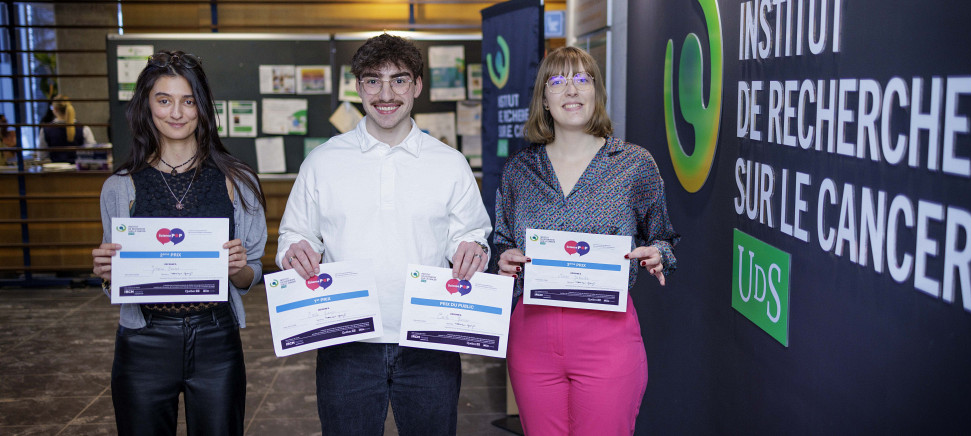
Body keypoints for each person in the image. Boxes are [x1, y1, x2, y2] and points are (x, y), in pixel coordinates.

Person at [277, 33, 492, 436]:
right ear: (358, 87)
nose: (386, 93)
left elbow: (472, 234)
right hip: (346, 338)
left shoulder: (450, 163)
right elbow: (294, 234)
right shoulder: (323, 161)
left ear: (417, 86)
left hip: (429, 337)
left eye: (399, 79)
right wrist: (295, 251)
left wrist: (473, 248)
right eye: (373, 80)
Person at [492, 46, 680, 436]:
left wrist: (658, 254)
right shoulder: (519, 170)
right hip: (533, 336)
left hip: (606, 337)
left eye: (582, 79)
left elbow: (662, 236)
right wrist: (504, 257)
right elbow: (502, 239)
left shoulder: (633, 164)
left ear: (597, 93)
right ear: (544, 98)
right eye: (557, 81)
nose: (571, 90)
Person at [90, 50, 267, 435]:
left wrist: (238, 269)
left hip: (216, 339)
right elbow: (116, 280)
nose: (177, 113)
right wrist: (106, 274)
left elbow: (252, 273)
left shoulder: (238, 181)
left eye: (188, 101)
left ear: (202, 108)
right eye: (164, 100)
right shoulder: (120, 187)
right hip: (143, 341)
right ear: (146, 106)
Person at [38, 95, 96, 163]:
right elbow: (92, 152)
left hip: (55, 171)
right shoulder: (84, 129)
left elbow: (42, 156)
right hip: (79, 170)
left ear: (55, 109)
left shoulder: (46, 130)